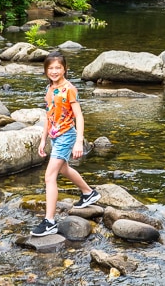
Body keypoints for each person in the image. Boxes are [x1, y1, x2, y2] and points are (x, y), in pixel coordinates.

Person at [30, 52, 100, 236]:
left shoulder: (69, 89)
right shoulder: (49, 89)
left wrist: (78, 142)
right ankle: (88, 193)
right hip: (55, 136)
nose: (54, 71)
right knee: (63, 169)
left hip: (67, 136)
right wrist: (43, 139)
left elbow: (79, 116)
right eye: (50, 68)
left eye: (58, 68)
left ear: (64, 69)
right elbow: (49, 116)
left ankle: (50, 221)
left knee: (49, 176)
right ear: (46, 70)